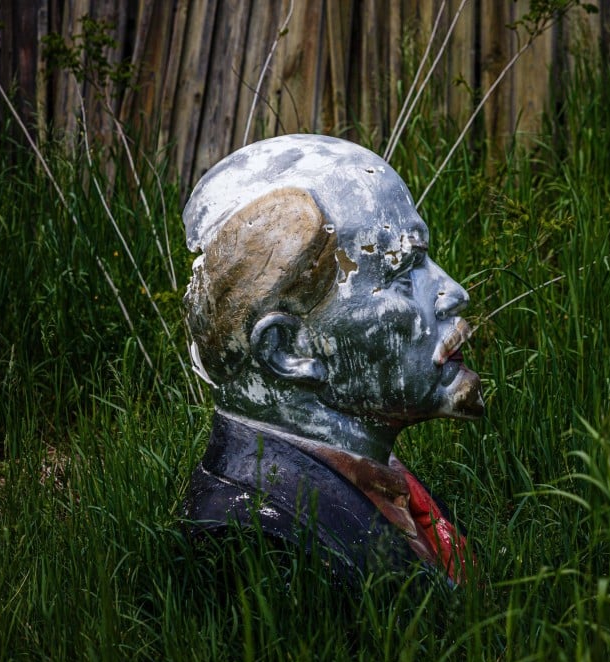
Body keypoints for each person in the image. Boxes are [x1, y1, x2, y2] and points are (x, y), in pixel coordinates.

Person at [182, 134, 482, 584]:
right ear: (287, 351)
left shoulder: (378, 479)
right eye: (403, 274)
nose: (455, 293)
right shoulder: (260, 545)